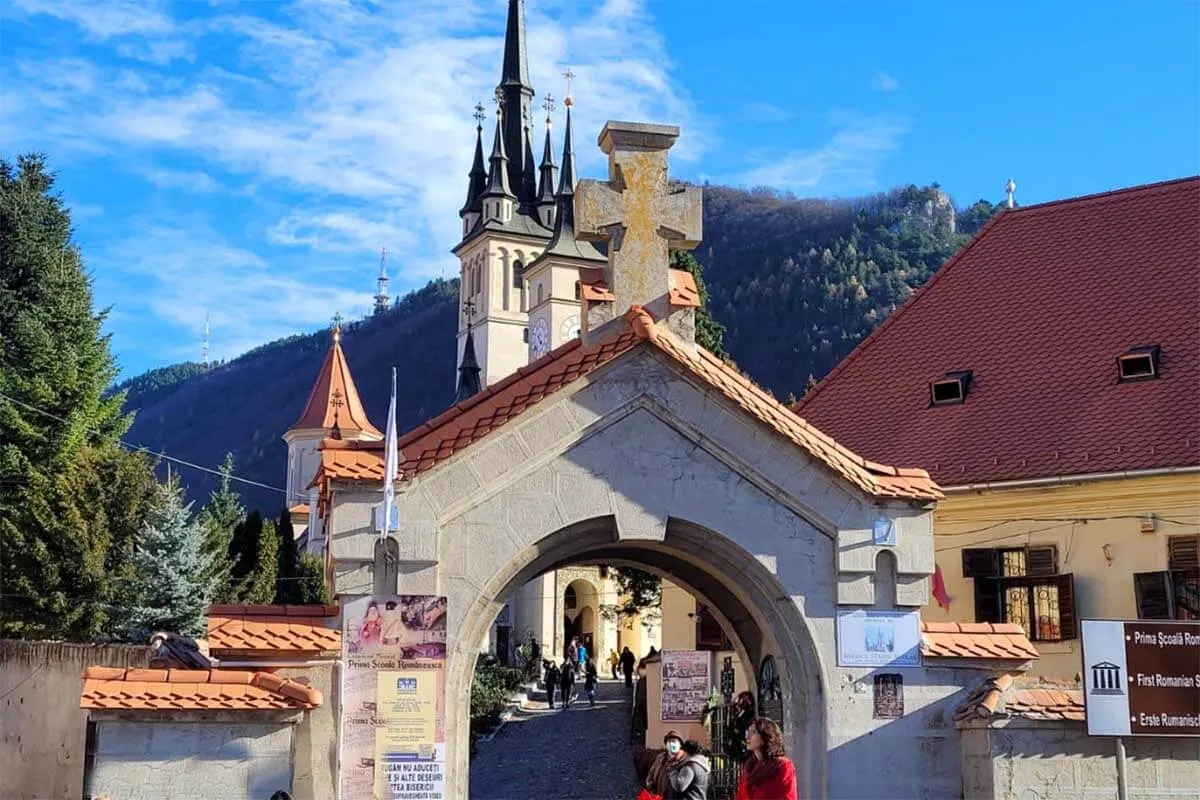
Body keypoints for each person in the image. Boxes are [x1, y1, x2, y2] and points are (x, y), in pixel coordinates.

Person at [734, 718, 797, 800]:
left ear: (765, 736)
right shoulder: (749, 766)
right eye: (747, 732)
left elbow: (789, 797)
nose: (747, 736)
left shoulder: (783, 766)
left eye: (753, 732)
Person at [644, 730, 683, 800]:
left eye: (674, 741)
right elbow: (651, 773)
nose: (671, 743)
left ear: (680, 745)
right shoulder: (660, 757)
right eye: (669, 741)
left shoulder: (683, 759)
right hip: (659, 795)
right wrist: (649, 785)